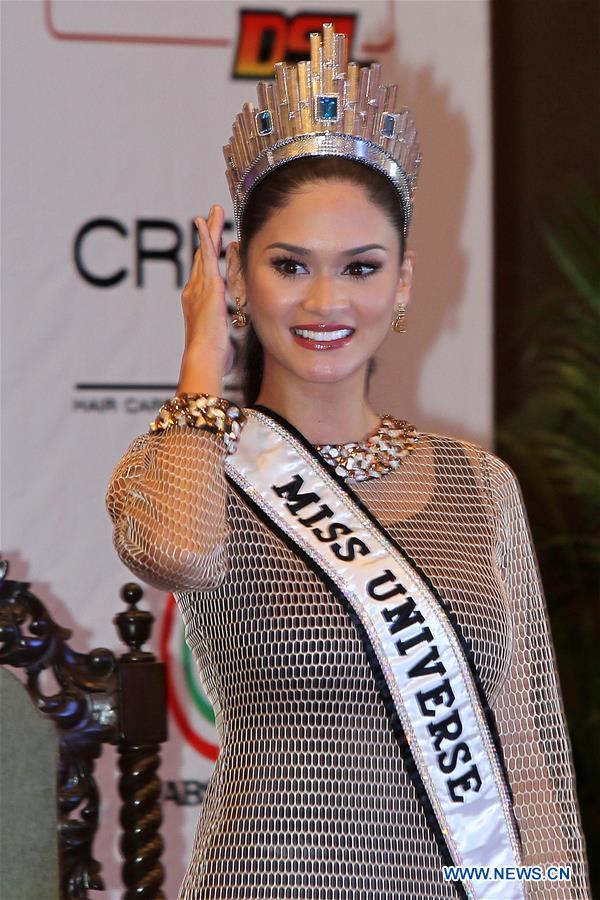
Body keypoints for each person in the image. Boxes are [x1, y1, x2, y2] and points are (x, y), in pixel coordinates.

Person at [106, 24, 589, 900]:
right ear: (238, 279)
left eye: (361, 267)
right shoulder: (190, 459)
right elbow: (176, 554)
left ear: (402, 285)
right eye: (289, 265)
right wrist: (200, 364)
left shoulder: (481, 486)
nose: (326, 301)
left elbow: (526, 757)